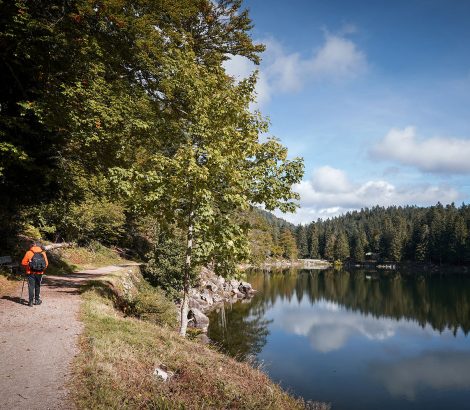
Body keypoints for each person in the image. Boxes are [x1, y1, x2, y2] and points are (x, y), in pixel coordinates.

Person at [21, 241, 48, 307]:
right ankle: (37, 300)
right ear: (39, 246)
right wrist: (41, 269)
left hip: (30, 273)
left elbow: (23, 263)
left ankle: (30, 302)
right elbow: (46, 264)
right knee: (37, 286)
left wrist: (28, 265)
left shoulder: (29, 252)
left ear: (32, 246)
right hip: (39, 273)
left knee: (31, 287)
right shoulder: (43, 253)